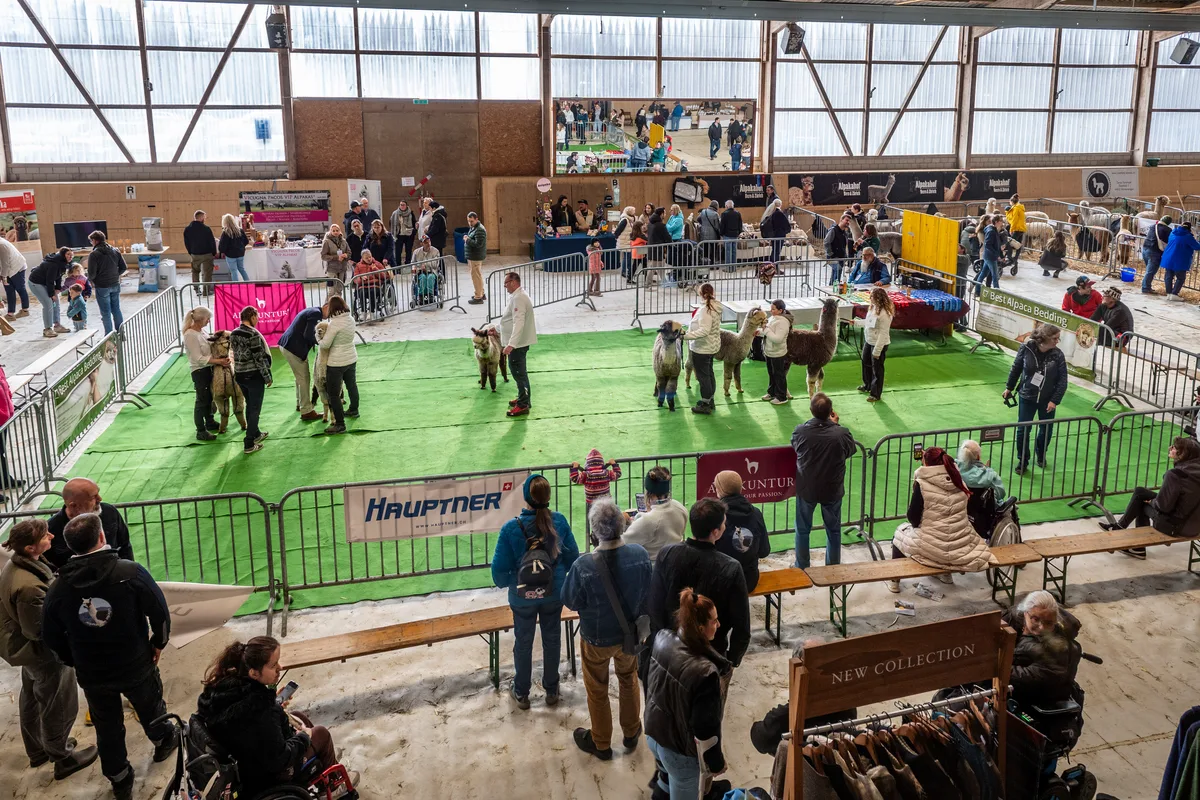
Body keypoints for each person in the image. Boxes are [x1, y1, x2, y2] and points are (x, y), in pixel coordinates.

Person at [42, 512, 175, 800]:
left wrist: (73, 659)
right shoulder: (129, 572)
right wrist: (159, 643)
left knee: (107, 727)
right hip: (136, 661)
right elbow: (159, 612)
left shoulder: (58, 589)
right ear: (102, 537)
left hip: (93, 672)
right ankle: (164, 741)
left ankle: (119, 778)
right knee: (151, 707)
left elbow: (50, 636)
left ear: (70, 546)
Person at [0, 519, 99, 780]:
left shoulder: (16, 565)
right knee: (58, 704)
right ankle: (61, 756)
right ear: (32, 548)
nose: (52, 536)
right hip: (43, 655)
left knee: (32, 698)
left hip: (25, 651)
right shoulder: (29, 587)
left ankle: (38, 750)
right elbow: (38, 631)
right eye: (45, 536)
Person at [196, 636, 350, 796]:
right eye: (273, 665)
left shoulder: (222, 688)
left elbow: (248, 719)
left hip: (239, 756)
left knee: (298, 716)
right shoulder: (261, 710)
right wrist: (304, 737)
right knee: (320, 734)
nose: (280, 667)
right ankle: (332, 784)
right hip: (263, 776)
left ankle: (324, 759)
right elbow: (279, 759)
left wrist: (274, 706)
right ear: (254, 673)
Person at [561, 499, 652, 761]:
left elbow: (571, 600)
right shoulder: (639, 555)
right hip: (630, 635)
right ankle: (632, 731)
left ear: (593, 533)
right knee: (628, 678)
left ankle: (601, 742)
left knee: (598, 688)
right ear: (623, 526)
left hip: (596, 639)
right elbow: (647, 591)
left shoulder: (583, 566)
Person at [491, 474, 579, 708]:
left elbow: (498, 573)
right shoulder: (558, 521)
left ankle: (521, 692)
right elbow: (573, 558)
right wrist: (557, 575)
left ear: (526, 497)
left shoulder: (511, 527)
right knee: (552, 639)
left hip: (522, 598)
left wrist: (516, 581)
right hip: (553, 593)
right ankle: (551, 689)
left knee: (523, 641)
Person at [643, 588, 731, 800]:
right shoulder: (705, 672)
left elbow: (647, 680)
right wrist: (716, 762)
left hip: (654, 734)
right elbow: (704, 729)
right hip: (679, 752)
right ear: (701, 628)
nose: (718, 625)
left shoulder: (662, 638)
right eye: (714, 621)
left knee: (665, 777)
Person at [649, 498, 750, 675]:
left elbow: (655, 607)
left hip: (671, 651)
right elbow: (742, 626)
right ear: (716, 532)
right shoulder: (731, 568)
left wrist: (662, 645)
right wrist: (729, 662)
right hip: (711, 656)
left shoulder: (667, 554)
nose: (726, 527)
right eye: (724, 524)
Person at [888, 446, 997, 592]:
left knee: (899, 535)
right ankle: (945, 574)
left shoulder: (923, 484)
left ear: (927, 463)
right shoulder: (959, 481)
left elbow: (913, 519)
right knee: (943, 536)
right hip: (960, 546)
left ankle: (894, 580)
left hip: (938, 547)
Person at [1101, 436, 1200, 558]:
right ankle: (1119, 528)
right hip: (1195, 524)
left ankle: (1137, 546)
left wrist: (1152, 502)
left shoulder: (1175, 475)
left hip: (1178, 526)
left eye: (1174, 447)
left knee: (1142, 503)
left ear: (1183, 453)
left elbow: (1163, 507)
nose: (1170, 448)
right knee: (1140, 492)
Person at [791, 393, 856, 568]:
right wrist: (835, 426)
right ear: (831, 411)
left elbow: (795, 447)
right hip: (832, 490)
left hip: (807, 489)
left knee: (802, 529)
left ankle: (802, 565)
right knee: (833, 530)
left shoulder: (801, 431)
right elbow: (850, 451)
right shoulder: (841, 433)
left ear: (811, 411)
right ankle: (833, 567)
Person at [1004, 323, 1067, 475]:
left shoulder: (1058, 355)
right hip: (1027, 396)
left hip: (1048, 399)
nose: (1057, 342)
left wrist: (1054, 400)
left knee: (1046, 430)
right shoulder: (1026, 348)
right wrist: (1009, 387)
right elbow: (1016, 368)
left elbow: (1062, 380)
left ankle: (1041, 453)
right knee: (1022, 430)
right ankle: (1023, 460)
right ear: (1044, 338)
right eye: (1055, 338)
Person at [1002, 591, 1082, 707]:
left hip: (1037, 699)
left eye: (1049, 623)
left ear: (1056, 620)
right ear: (1025, 613)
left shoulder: (1058, 649)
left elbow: (1029, 677)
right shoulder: (1013, 619)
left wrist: (995, 668)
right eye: (1035, 619)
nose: (1041, 627)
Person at [46, 477, 134, 569]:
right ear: (74, 505)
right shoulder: (51, 531)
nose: (100, 499)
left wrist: (129, 571)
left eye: (98, 494)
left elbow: (125, 545)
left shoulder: (109, 512)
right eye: (93, 497)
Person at [712, 471, 771, 592]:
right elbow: (764, 551)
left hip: (722, 581)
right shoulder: (756, 513)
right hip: (749, 580)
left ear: (720, 490)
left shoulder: (715, 517)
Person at [229, 305, 273, 454]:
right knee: (255, 409)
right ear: (252, 317)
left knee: (250, 404)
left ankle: (256, 433)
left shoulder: (233, 333)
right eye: (257, 317)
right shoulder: (253, 334)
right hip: (254, 375)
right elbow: (258, 358)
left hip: (240, 374)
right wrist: (267, 377)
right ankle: (249, 443)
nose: (258, 319)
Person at [183, 307, 228, 441]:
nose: (209, 321)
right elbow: (198, 358)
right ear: (201, 319)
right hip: (199, 371)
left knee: (210, 398)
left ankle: (210, 421)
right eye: (207, 319)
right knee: (201, 400)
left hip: (208, 369)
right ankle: (200, 430)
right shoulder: (190, 335)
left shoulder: (201, 331)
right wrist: (219, 361)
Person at [624, 467, 689, 561]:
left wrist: (624, 523)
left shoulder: (648, 520)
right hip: (675, 563)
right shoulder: (680, 508)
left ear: (649, 493)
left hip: (652, 569)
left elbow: (623, 542)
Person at [278, 305, 327, 422]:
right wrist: (322, 343)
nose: (330, 315)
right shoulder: (316, 314)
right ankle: (306, 411)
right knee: (304, 378)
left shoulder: (312, 310)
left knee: (299, 378)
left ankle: (300, 404)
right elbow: (309, 334)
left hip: (287, 344)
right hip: (293, 348)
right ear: (326, 306)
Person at [317, 295, 358, 435]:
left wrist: (318, 337)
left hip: (336, 362)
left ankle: (340, 424)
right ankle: (354, 409)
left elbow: (325, 344)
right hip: (351, 358)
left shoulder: (334, 324)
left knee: (333, 394)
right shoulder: (351, 319)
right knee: (351, 385)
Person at [500, 271, 536, 417]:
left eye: (506, 283)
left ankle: (523, 405)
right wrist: (496, 329)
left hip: (518, 344)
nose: (505, 286)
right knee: (520, 373)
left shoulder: (519, 298)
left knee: (519, 373)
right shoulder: (517, 296)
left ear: (514, 282)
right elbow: (508, 319)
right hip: (518, 343)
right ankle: (524, 398)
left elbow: (518, 322)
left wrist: (511, 345)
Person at [684, 283, 722, 415]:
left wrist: (687, 336)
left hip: (702, 348)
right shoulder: (715, 306)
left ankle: (705, 403)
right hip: (711, 346)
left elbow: (704, 330)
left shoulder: (705, 310)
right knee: (709, 373)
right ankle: (710, 400)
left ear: (700, 294)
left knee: (703, 377)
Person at [28, 246, 72, 338]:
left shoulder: (62, 263)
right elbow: (50, 280)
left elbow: (59, 276)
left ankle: (57, 325)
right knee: (48, 304)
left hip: (45, 282)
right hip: (36, 283)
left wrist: (58, 288)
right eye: (68, 254)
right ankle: (47, 329)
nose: (70, 256)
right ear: (63, 255)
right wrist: (52, 294)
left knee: (56, 302)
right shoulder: (54, 264)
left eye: (71, 255)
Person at [859, 286, 893, 402]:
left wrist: (877, 351)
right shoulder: (873, 308)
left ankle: (876, 393)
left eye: (872, 296)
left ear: (878, 298)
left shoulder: (885, 314)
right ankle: (867, 385)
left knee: (877, 369)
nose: (870, 298)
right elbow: (869, 323)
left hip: (879, 343)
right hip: (869, 340)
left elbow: (883, 334)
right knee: (865, 363)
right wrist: (856, 322)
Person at [87, 230, 124, 333]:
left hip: (102, 286)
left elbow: (92, 274)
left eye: (91, 241)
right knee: (116, 309)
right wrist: (116, 275)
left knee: (106, 312)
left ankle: (109, 337)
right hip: (115, 284)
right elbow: (123, 267)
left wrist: (90, 279)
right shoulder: (115, 250)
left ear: (94, 240)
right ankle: (121, 334)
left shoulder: (94, 255)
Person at [762, 299, 793, 405]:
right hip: (769, 351)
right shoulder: (773, 318)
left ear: (780, 310)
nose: (771, 311)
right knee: (771, 373)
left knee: (779, 374)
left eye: (773, 309)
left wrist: (765, 330)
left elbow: (777, 338)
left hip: (777, 352)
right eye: (771, 308)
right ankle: (772, 392)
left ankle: (781, 396)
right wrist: (759, 332)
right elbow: (768, 331)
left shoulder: (783, 322)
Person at [1162, 222, 1200, 301]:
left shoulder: (1173, 233)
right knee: (1180, 277)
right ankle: (1174, 294)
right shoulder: (1188, 236)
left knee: (1168, 276)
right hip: (1180, 259)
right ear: (1189, 229)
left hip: (1168, 258)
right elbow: (1197, 246)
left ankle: (1168, 293)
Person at [184, 210, 216, 288]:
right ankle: (206, 291)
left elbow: (186, 243)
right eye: (204, 217)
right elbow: (212, 242)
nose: (204, 219)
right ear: (201, 217)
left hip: (195, 254)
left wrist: (190, 252)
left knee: (195, 272)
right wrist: (214, 253)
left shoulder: (187, 229)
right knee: (207, 273)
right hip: (207, 254)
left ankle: (196, 289)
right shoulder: (206, 229)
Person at [1, 235, 30, 321]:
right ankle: (10, 314)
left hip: (17, 267)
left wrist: (4, 277)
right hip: (9, 269)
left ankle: (25, 310)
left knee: (20, 288)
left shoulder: (1, 245)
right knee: (9, 291)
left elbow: (5, 264)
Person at [1141, 215, 1173, 294]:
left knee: (1149, 270)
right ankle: (1145, 288)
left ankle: (1146, 286)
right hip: (1154, 251)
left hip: (1145, 249)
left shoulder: (1153, 226)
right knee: (1151, 271)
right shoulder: (1167, 230)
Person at [320, 224, 351, 295]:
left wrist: (346, 255)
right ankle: (328, 305)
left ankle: (338, 306)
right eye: (333, 231)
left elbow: (349, 252)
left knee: (339, 290)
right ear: (330, 231)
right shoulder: (326, 242)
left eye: (337, 230)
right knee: (331, 291)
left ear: (340, 231)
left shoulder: (344, 241)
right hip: (331, 269)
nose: (335, 232)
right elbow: (323, 256)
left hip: (342, 269)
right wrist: (336, 257)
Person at [218, 214, 250, 281]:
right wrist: (241, 247)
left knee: (233, 271)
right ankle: (248, 283)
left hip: (230, 255)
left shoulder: (226, 232)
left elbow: (222, 246)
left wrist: (222, 251)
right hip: (240, 253)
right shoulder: (240, 230)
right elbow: (246, 241)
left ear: (224, 222)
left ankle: (236, 287)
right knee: (241, 269)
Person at [464, 211, 487, 304]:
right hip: (473, 256)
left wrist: (467, 240)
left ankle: (478, 297)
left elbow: (478, 244)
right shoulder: (474, 227)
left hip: (476, 256)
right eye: (468, 221)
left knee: (476, 277)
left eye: (472, 221)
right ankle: (482, 293)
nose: (470, 223)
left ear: (477, 219)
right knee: (478, 275)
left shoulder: (480, 229)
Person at [824, 215, 851, 285]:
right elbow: (826, 242)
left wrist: (845, 255)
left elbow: (843, 245)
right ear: (841, 219)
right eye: (846, 220)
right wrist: (830, 254)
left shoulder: (844, 233)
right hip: (833, 257)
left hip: (841, 257)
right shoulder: (833, 230)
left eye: (849, 221)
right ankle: (834, 290)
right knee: (837, 273)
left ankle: (830, 289)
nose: (848, 222)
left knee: (835, 274)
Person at [761, 199, 790, 264]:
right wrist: (787, 230)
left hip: (774, 235)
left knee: (774, 251)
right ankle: (774, 266)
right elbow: (786, 225)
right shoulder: (780, 214)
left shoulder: (772, 214)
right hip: (780, 235)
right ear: (780, 205)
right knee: (777, 252)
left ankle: (773, 266)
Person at [978, 213, 1001, 294]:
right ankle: (997, 291)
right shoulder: (991, 231)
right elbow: (987, 244)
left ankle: (977, 290)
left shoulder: (992, 230)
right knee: (995, 274)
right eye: (1001, 222)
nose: (1002, 224)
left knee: (983, 273)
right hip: (990, 256)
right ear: (997, 222)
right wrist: (996, 254)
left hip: (989, 255)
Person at [389, 199, 416, 265]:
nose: (402, 206)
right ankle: (398, 266)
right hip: (399, 234)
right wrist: (394, 232)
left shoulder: (411, 213)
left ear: (406, 206)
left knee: (408, 251)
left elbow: (414, 223)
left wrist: (413, 232)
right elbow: (391, 223)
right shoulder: (395, 213)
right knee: (398, 251)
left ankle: (408, 264)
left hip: (408, 235)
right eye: (401, 205)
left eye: (403, 205)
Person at [614, 206, 636, 280]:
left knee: (627, 257)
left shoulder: (630, 220)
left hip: (628, 241)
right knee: (628, 258)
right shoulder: (625, 220)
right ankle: (626, 272)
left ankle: (627, 271)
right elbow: (618, 230)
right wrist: (617, 237)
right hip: (625, 242)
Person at [719, 200, 742, 267]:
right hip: (735, 235)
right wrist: (738, 232)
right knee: (734, 251)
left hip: (727, 235)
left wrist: (721, 234)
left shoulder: (724, 214)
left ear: (726, 206)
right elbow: (740, 225)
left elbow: (722, 226)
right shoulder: (738, 213)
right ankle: (734, 267)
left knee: (728, 252)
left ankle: (728, 268)